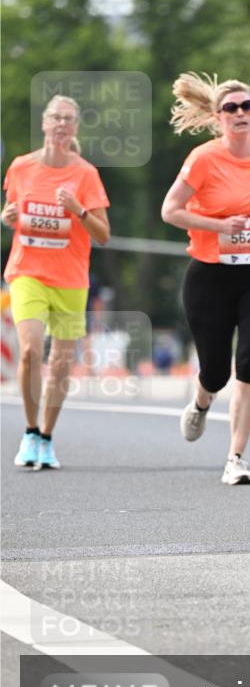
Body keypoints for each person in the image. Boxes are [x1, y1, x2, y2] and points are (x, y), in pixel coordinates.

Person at [161, 74, 250, 485]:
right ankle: (201, 402)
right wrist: (217, 226)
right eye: (231, 108)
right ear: (218, 118)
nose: (240, 114)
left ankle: (236, 457)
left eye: (247, 106)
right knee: (215, 372)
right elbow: (171, 210)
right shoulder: (203, 159)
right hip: (210, 277)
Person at [1, 94, 110, 469]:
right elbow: (14, 214)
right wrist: (6, 216)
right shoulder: (20, 167)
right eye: (56, 118)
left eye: (69, 119)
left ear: (75, 128)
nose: (62, 124)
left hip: (70, 279)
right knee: (30, 351)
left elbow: (104, 235)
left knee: (61, 362)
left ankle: (46, 437)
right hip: (28, 272)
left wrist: (77, 210)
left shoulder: (86, 175)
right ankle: (30, 432)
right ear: (45, 124)